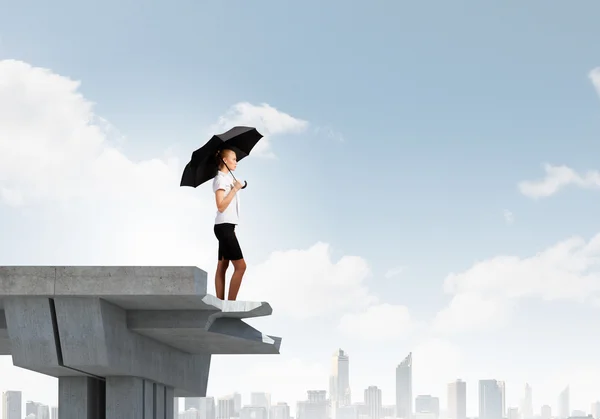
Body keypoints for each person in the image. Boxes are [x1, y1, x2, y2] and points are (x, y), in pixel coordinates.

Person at [212, 148, 246, 300]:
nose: (236, 162)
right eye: (234, 159)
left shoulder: (227, 179)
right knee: (241, 267)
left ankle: (220, 303)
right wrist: (235, 189)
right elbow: (220, 206)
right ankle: (230, 305)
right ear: (225, 160)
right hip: (224, 227)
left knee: (222, 266)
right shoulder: (219, 179)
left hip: (226, 226)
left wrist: (237, 186)